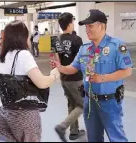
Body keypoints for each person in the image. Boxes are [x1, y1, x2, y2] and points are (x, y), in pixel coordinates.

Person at [51, 9, 133, 142]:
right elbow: (72, 68)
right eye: (86, 27)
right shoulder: (84, 49)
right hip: (89, 102)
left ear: (101, 25)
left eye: (90, 26)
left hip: (110, 102)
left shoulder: (117, 46)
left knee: (117, 137)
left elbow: (127, 71)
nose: (87, 30)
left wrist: (103, 78)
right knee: (93, 138)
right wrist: (60, 67)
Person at [0, 20, 60, 142]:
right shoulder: (23, 55)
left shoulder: (2, 56)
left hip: (1, 112)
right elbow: (42, 83)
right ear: (23, 37)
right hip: (23, 115)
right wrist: (54, 74)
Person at [53, 12, 85, 142]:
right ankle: (62, 126)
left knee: (71, 103)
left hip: (64, 77)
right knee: (83, 105)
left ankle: (74, 132)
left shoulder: (57, 40)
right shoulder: (77, 39)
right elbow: (81, 60)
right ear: (70, 23)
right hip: (75, 77)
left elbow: (57, 59)